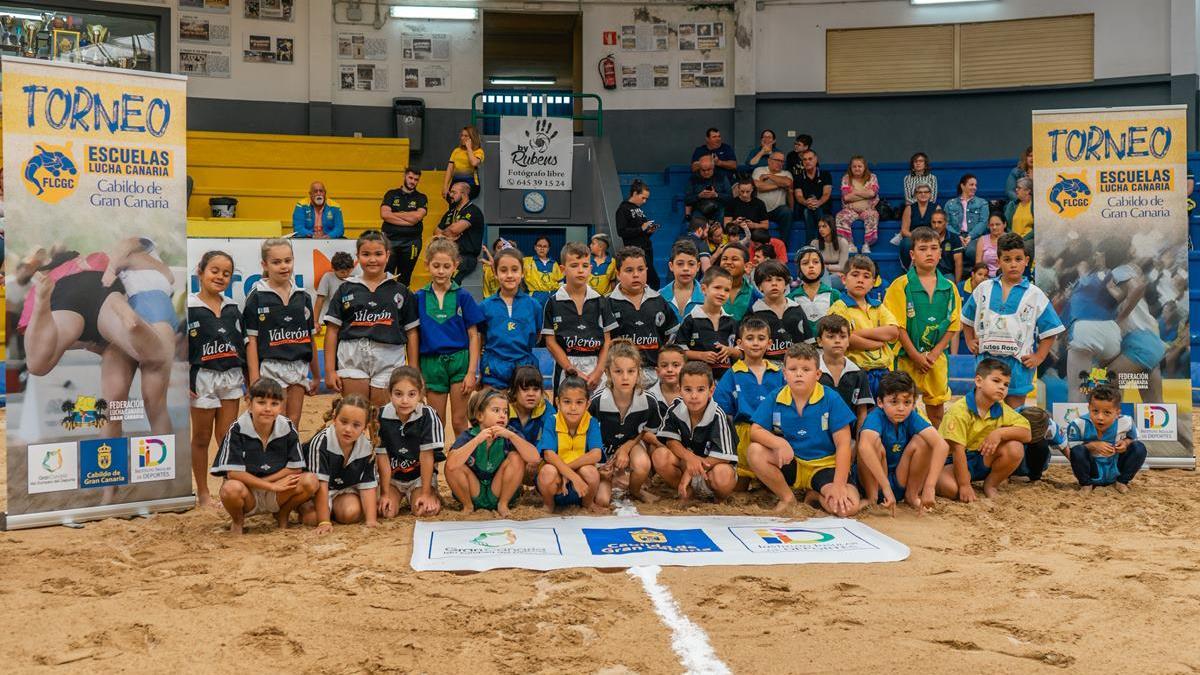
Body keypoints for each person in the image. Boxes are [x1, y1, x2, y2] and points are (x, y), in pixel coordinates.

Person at [747, 343, 860, 515]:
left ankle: (815, 495)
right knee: (755, 451)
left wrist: (838, 486)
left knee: (846, 508)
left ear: (817, 374)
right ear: (784, 374)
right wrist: (778, 442)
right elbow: (755, 430)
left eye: (806, 369)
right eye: (793, 369)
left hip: (824, 467)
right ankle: (788, 498)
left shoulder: (831, 398)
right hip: (792, 463)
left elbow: (844, 445)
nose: (799, 373)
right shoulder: (776, 396)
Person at [961, 233, 1064, 409]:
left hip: (1018, 364)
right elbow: (967, 318)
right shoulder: (983, 289)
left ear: (1027, 261)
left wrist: (1039, 356)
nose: (1013, 264)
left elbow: (1051, 330)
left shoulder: (1035, 294)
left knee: (1014, 413)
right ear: (999, 261)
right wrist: (970, 340)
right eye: (1007, 259)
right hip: (986, 360)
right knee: (982, 410)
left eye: (1018, 259)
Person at [323, 231, 420, 407]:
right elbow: (332, 330)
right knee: (356, 416)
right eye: (366, 254)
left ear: (388, 255)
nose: (372, 259)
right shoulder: (346, 289)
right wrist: (329, 370)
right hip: (352, 357)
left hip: (389, 358)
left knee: (382, 421)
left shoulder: (401, 291)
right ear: (357, 257)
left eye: (378, 254)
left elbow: (411, 332)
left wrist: (412, 369)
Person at [211, 378, 317, 534]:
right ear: (249, 403)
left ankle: (283, 512)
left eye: (274, 404)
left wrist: (273, 486)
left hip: (277, 493)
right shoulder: (237, 429)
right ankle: (238, 521)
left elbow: (295, 468)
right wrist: (270, 485)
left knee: (310, 481)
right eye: (261, 402)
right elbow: (234, 473)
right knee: (230, 489)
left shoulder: (287, 427)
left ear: (281, 406)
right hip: (248, 494)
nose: (268, 408)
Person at [884, 227, 962, 429]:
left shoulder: (950, 288)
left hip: (935, 360)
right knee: (901, 408)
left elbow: (953, 325)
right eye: (923, 248)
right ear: (912, 254)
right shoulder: (900, 285)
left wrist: (935, 354)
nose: (929, 253)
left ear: (940, 252)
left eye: (934, 248)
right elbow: (896, 326)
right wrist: (915, 355)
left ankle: (939, 452)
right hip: (905, 358)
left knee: (937, 411)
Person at [189, 250, 245, 509]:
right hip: (202, 379)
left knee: (226, 436)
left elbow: (242, 346)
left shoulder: (233, 307)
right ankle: (202, 493)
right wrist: (183, 380)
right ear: (200, 272)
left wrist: (246, 376)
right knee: (201, 437)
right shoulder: (188, 308)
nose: (220, 276)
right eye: (214, 270)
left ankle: (226, 488)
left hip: (230, 377)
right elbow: (177, 348)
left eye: (226, 273)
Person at [244, 238, 320, 428]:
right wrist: (254, 381)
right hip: (270, 368)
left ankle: (290, 459)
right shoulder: (257, 297)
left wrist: (316, 375)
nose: (283, 266)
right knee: (274, 423)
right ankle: (271, 459)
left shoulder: (303, 297)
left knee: (292, 423)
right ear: (265, 264)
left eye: (287, 260)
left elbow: (310, 338)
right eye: (276, 262)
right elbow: (251, 341)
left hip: (299, 367)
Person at [416, 239, 484, 437]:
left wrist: (472, 371)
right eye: (436, 266)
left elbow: (474, 336)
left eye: (446, 266)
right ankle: (435, 466)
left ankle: (463, 463)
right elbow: (414, 336)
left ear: (455, 266)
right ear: (427, 265)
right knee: (436, 421)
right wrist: (416, 370)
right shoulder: (418, 297)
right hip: (431, 363)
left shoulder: (464, 296)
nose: (441, 271)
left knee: (459, 419)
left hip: (459, 362)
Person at [937, 359, 1031, 501]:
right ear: (979, 381)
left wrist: (999, 433)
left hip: (981, 458)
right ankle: (961, 481)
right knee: (951, 490)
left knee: (1015, 448)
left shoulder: (1001, 408)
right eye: (996, 381)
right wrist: (964, 485)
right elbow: (958, 451)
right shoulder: (959, 411)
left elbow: (1027, 434)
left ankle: (991, 484)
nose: (1002, 388)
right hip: (953, 461)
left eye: (1006, 384)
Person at [856, 371, 949, 512]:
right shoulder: (876, 416)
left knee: (923, 441)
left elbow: (941, 445)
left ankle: (911, 495)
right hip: (878, 482)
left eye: (907, 402)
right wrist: (886, 488)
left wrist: (929, 487)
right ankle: (872, 497)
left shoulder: (911, 416)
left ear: (913, 404)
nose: (901, 408)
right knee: (871, 444)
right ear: (880, 402)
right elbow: (863, 447)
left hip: (900, 479)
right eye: (894, 402)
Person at [588, 341, 663, 505]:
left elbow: (646, 432)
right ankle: (613, 480)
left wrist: (626, 448)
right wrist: (600, 465)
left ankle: (635, 491)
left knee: (642, 463)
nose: (625, 377)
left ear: (638, 372)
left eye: (631, 371)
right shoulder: (598, 401)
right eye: (618, 371)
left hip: (631, 448)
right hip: (601, 451)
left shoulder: (649, 401)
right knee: (602, 500)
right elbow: (585, 435)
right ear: (607, 373)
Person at [444, 389, 539, 516]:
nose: (502, 415)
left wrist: (512, 436)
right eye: (496, 410)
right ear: (479, 416)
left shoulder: (510, 433)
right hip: (474, 490)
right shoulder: (470, 435)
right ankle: (468, 505)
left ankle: (503, 504)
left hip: (498, 490)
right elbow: (451, 465)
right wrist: (477, 440)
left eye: (505, 412)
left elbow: (534, 458)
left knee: (516, 457)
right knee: (454, 463)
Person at [653, 361, 738, 502]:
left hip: (711, 471)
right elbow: (671, 441)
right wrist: (689, 458)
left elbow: (724, 457)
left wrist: (690, 469)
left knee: (722, 474)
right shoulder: (675, 408)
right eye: (688, 390)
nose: (694, 396)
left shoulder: (717, 414)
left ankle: (719, 501)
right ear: (679, 389)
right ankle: (688, 492)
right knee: (660, 455)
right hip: (687, 464)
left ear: (711, 391)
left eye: (700, 390)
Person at [713, 318, 783, 487]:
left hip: (772, 433)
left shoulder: (778, 374)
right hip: (740, 434)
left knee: (769, 483)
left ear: (769, 343)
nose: (755, 343)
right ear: (740, 343)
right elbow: (722, 412)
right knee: (740, 486)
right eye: (750, 338)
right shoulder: (731, 374)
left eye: (761, 338)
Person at [301, 395, 379, 532]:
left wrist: (371, 520)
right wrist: (324, 522)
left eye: (356, 425)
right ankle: (306, 508)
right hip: (316, 489)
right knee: (312, 519)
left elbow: (368, 486)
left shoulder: (367, 447)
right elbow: (321, 485)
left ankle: (331, 509)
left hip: (341, 489)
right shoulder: (321, 443)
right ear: (335, 418)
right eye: (344, 422)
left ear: (365, 427)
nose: (348, 429)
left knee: (351, 513)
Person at [542, 242, 615, 390]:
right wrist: (570, 368)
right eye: (574, 265)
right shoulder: (553, 302)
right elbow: (550, 342)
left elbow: (607, 341)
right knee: (566, 411)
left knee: (597, 412)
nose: (580, 270)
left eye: (585, 265)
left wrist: (599, 371)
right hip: (565, 368)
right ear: (563, 269)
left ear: (591, 269)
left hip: (597, 369)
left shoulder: (601, 301)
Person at [376, 366, 445, 518]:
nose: (405, 400)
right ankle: (395, 495)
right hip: (393, 478)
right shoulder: (381, 416)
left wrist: (426, 494)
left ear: (420, 395)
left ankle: (430, 492)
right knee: (385, 512)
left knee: (424, 510)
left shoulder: (428, 415)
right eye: (398, 394)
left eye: (411, 394)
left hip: (419, 478)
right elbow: (382, 457)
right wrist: (385, 493)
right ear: (389, 394)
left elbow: (427, 456)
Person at [608, 245, 679, 386]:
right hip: (621, 375)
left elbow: (671, 336)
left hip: (655, 375)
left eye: (640, 270)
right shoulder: (608, 303)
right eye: (629, 270)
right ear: (617, 273)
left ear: (647, 270)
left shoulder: (659, 301)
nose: (636, 275)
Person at [829, 255, 899, 398]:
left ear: (873, 282)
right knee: (860, 415)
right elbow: (846, 339)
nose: (860, 280)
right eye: (855, 275)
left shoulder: (878, 306)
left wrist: (858, 333)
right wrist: (877, 343)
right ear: (843, 279)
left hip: (883, 372)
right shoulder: (838, 308)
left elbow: (893, 332)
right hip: (855, 373)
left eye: (866, 276)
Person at [478, 247, 542, 391]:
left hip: (525, 366)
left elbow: (537, 336)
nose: (509, 275)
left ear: (523, 272)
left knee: (523, 412)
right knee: (494, 410)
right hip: (494, 367)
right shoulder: (484, 306)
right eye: (503, 270)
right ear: (495, 273)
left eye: (514, 270)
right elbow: (481, 338)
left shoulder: (534, 305)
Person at [537, 376, 604, 513]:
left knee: (591, 472)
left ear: (587, 404)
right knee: (547, 471)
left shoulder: (591, 422)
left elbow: (596, 454)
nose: (573, 408)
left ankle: (587, 504)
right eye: (567, 402)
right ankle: (549, 504)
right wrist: (571, 476)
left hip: (581, 486)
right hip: (557, 484)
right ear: (558, 402)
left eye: (579, 402)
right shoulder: (552, 421)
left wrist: (567, 472)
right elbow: (548, 454)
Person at [1066, 383, 1148, 493]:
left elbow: (1133, 439)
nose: (1100, 417)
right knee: (1077, 451)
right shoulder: (1078, 424)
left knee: (1139, 448)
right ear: (1089, 408)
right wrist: (1092, 446)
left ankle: (1122, 481)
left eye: (1107, 413)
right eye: (1095, 411)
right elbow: (1072, 449)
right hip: (1092, 470)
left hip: (1116, 467)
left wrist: (1125, 443)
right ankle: (1086, 484)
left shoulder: (1126, 422)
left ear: (1117, 413)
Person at [675, 266, 739, 380]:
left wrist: (730, 351)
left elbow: (742, 352)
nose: (722, 293)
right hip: (696, 380)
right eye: (717, 287)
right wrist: (700, 356)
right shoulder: (691, 320)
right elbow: (679, 351)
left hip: (726, 381)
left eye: (727, 290)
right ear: (704, 289)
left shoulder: (732, 322)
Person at [814, 314, 873, 435]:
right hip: (816, 436)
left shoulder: (858, 373)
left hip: (849, 436)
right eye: (830, 336)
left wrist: (858, 445)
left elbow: (861, 413)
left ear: (848, 341)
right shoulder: (811, 371)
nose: (837, 340)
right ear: (819, 341)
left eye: (843, 336)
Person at [747, 261, 808, 362]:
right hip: (766, 368)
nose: (774, 283)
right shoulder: (754, 312)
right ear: (759, 287)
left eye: (779, 280)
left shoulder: (796, 308)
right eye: (768, 280)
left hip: (797, 365)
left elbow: (809, 342)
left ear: (786, 284)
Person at [380, 167, 428, 284]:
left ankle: (403, 301)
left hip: (411, 242)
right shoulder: (391, 194)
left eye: (416, 179)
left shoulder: (421, 197)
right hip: (390, 240)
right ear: (405, 176)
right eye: (410, 178)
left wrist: (395, 214)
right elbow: (385, 214)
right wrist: (409, 219)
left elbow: (417, 218)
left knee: (405, 277)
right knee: (386, 275)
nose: (412, 181)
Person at [436, 181, 486, 285]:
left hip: (465, 257)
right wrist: (447, 237)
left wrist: (444, 234)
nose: (450, 195)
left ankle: (452, 301)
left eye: (454, 192)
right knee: (439, 281)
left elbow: (454, 230)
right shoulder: (450, 212)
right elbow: (436, 233)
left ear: (463, 194)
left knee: (449, 283)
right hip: (448, 254)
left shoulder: (472, 211)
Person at [788, 245, 842, 338]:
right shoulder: (791, 298)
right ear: (799, 268)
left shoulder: (834, 295)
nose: (811, 266)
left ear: (822, 266)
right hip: (802, 350)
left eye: (816, 262)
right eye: (805, 263)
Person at [615, 179, 660, 289]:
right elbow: (621, 231)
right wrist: (641, 228)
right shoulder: (623, 209)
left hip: (646, 248)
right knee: (653, 280)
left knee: (648, 280)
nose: (644, 201)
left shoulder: (639, 210)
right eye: (643, 198)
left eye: (646, 199)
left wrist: (648, 231)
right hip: (635, 251)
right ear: (635, 193)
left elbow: (641, 232)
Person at [836, 155, 880, 253]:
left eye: (859, 166)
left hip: (868, 209)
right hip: (850, 210)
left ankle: (866, 245)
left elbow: (872, 193)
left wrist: (855, 193)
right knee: (840, 217)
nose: (857, 168)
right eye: (854, 166)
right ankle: (850, 244)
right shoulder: (846, 178)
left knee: (873, 215)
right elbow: (846, 197)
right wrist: (865, 194)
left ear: (864, 167)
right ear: (850, 168)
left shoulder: (872, 177)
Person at [792, 148, 834, 246]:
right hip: (804, 208)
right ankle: (821, 243)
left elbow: (826, 194)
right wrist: (807, 202)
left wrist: (817, 203)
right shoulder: (798, 177)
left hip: (823, 207)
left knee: (815, 210)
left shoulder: (825, 175)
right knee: (808, 210)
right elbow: (799, 196)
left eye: (810, 159)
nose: (807, 162)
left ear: (816, 160)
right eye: (805, 160)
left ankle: (810, 245)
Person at [507, 365, 555, 447]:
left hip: (538, 457)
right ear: (514, 392)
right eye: (525, 389)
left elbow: (548, 447)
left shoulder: (548, 411)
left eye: (536, 389)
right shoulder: (503, 411)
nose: (531, 394)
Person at [944, 174, 989, 261]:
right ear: (962, 186)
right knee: (947, 251)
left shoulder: (982, 203)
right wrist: (957, 236)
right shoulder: (950, 204)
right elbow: (946, 223)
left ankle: (974, 272)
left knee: (971, 250)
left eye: (976, 185)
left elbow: (983, 222)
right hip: (956, 235)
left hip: (975, 237)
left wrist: (970, 236)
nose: (974, 187)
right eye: (971, 185)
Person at [752, 152, 795, 243]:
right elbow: (758, 186)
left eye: (782, 161)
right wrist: (780, 185)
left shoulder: (786, 173)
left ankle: (783, 245)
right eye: (777, 160)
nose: (780, 163)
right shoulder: (759, 170)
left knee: (786, 211)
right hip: (760, 210)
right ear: (769, 160)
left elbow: (788, 183)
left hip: (777, 210)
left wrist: (769, 176)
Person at [661, 239, 705, 321]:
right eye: (680, 264)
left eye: (691, 264)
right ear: (671, 266)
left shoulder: (707, 297)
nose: (685, 268)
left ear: (698, 267)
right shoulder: (659, 297)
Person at [718, 243, 761, 321]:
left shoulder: (753, 294)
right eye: (724, 259)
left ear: (746, 266)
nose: (728, 262)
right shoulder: (709, 290)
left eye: (734, 259)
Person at [313, 251, 355, 331]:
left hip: (351, 321)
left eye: (348, 271)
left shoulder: (355, 279)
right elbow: (320, 299)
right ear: (334, 269)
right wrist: (315, 321)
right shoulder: (328, 277)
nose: (346, 274)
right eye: (342, 272)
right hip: (334, 319)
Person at [898, 184, 936, 269]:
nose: (923, 194)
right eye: (920, 192)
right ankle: (908, 269)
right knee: (906, 243)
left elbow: (938, 229)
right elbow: (904, 230)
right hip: (913, 236)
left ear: (930, 194)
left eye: (926, 192)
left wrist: (928, 237)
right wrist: (916, 237)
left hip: (930, 236)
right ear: (915, 195)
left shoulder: (936, 208)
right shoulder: (909, 208)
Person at [523, 235, 564, 313]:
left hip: (552, 297)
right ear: (535, 247)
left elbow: (561, 282)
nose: (542, 248)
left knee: (550, 322)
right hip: (535, 297)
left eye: (545, 246)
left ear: (548, 249)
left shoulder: (554, 263)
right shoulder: (527, 261)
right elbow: (514, 259)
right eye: (539, 246)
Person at [442, 125, 484, 200]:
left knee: (459, 198)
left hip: (471, 183)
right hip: (456, 182)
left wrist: (469, 148)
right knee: (451, 198)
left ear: (472, 137)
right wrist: (445, 186)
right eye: (462, 135)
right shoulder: (456, 151)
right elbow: (450, 169)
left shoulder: (478, 151)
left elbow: (474, 163)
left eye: (466, 136)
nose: (462, 138)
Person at [685, 156, 731, 223]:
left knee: (724, 216)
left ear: (713, 167)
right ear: (699, 168)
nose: (706, 172)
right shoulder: (693, 179)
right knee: (696, 222)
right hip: (700, 209)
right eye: (703, 170)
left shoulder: (722, 177)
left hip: (719, 208)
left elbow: (730, 198)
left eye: (709, 169)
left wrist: (716, 195)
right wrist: (699, 196)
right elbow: (687, 200)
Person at [808, 216, 850, 287]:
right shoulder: (814, 243)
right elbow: (814, 265)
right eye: (819, 227)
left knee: (821, 281)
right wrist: (831, 269)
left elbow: (843, 266)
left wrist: (825, 267)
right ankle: (826, 294)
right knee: (821, 277)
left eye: (824, 226)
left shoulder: (842, 242)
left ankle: (825, 294)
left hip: (838, 276)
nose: (821, 229)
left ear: (832, 227)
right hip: (820, 275)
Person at [647, 343, 686, 412]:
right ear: (657, 371)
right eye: (664, 365)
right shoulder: (647, 397)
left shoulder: (693, 397)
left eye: (676, 365)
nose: (669, 370)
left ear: (685, 369)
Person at [930, 209, 964, 282]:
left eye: (939, 222)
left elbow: (958, 263)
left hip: (947, 274)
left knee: (949, 282)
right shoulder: (925, 238)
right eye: (933, 222)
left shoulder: (954, 238)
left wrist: (956, 285)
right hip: (928, 273)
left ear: (946, 223)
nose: (936, 225)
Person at [976, 213, 1007, 278]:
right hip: (986, 277)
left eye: (997, 224)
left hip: (1006, 276)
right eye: (991, 225)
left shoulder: (1010, 239)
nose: (994, 227)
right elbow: (978, 265)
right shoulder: (982, 240)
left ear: (1004, 224)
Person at [1004, 176, 1035, 241]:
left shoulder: (1035, 206)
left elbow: (1036, 229)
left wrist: (1023, 239)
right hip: (1012, 239)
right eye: (1016, 188)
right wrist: (1013, 238)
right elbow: (1006, 225)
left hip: (1028, 240)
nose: (1016, 190)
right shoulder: (1012, 205)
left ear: (1027, 191)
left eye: (1019, 188)